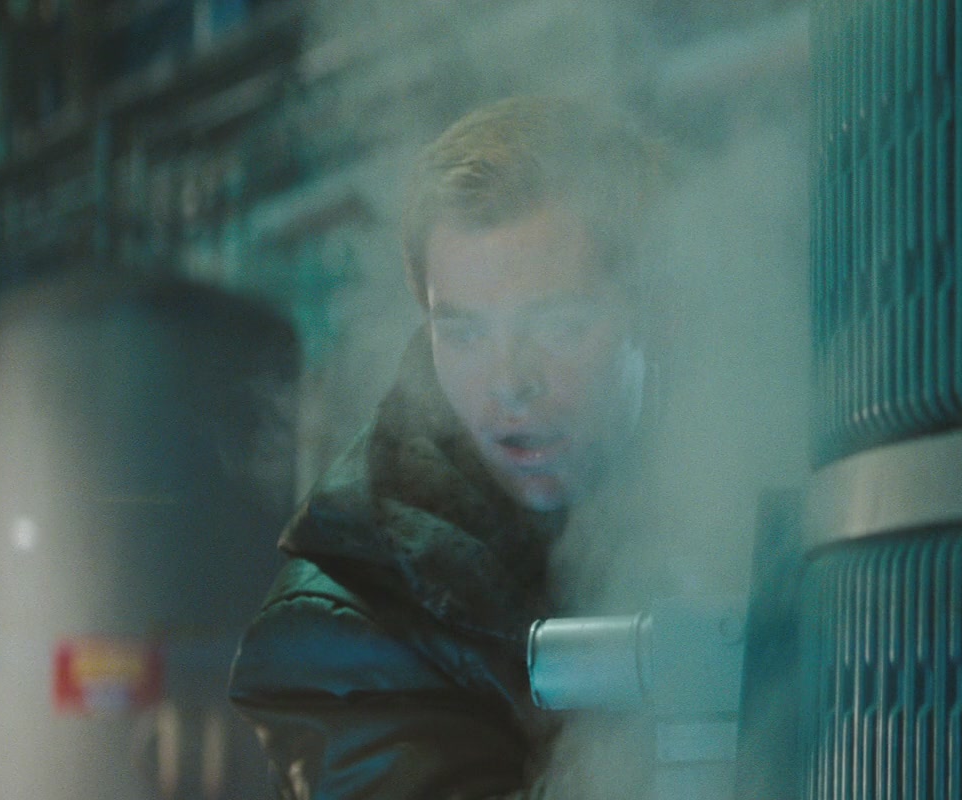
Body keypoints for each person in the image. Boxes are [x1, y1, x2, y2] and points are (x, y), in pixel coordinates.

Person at [227, 96, 668, 799]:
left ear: (645, 307)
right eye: (463, 333)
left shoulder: (736, 481)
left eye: (557, 325)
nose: (509, 383)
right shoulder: (339, 621)